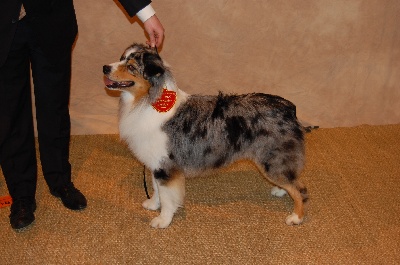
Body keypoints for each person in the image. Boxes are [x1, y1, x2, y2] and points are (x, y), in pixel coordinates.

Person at [0, 0, 164, 230]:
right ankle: (21, 196)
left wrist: (145, 14)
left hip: (51, 21)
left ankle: (60, 180)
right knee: (9, 113)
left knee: (54, 106)